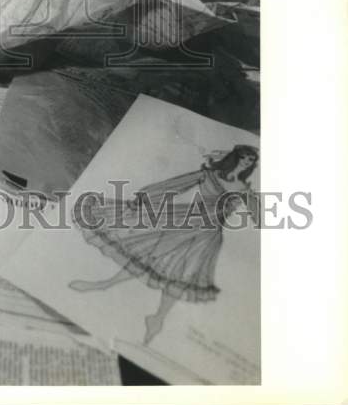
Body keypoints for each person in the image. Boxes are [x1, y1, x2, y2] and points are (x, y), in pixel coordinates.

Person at [69, 144, 259, 345]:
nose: (247, 162)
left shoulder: (243, 189)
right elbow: (175, 185)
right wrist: (146, 195)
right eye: (244, 157)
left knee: (181, 275)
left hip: (208, 235)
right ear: (234, 157)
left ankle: (158, 318)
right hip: (186, 221)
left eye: (250, 161)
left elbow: (259, 217)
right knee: (149, 257)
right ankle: (104, 284)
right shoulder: (210, 175)